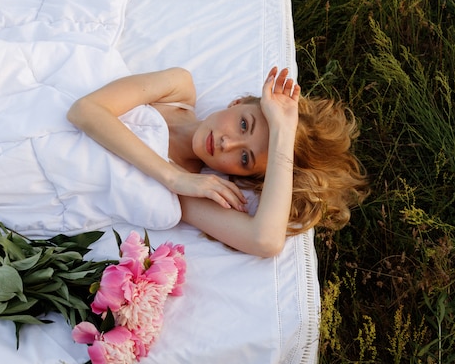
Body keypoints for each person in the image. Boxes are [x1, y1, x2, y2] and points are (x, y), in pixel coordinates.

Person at [68, 67, 368, 257]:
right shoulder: (178, 88)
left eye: (244, 157)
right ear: (237, 103)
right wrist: (172, 177)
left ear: (243, 176)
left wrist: (283, 133)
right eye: (243, 125)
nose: (228, 143)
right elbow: (85, 110)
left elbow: (264, 241)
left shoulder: (194, 191)